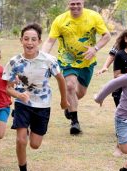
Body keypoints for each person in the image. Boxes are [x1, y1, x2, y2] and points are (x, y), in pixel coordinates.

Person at [2, 23, 69, 171]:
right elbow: (8, 88)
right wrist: (19, 95)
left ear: (39, 41)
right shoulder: (14, 62)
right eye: (26, 39)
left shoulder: (48, 60)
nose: (29, 42)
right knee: (20, 140)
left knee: (35, 144)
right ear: (21, 40)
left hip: (43, 105)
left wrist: (63, 100)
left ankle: (29, 129)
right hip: (22, 103)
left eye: (33, 39)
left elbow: (61, 80)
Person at [42, 0, 111, 135]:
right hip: (67, 60)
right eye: (72, 3)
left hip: (87, 61)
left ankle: (69, 105)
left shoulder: (94, 16)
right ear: (68, 4)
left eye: (78, 3)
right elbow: (50, 41)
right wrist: (43, 58)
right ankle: (75, 122)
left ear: (83, 3)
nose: (75, 6)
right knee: (70, 86)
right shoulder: (60, 20)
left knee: (81, 93)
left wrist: (95, 49)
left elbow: (107, 36)